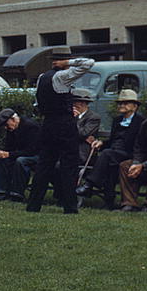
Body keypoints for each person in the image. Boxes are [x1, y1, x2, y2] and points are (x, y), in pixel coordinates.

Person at [24, 46, 95, 214]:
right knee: (69, 165)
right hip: (64, 125)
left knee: (44, 165)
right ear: (64, 61)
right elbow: (88, 63)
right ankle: (69, 206)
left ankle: (33, 205)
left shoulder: (42, 77)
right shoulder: (63, 76)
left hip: (48, 123)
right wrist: (69, 62)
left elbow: (38, 102)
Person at [76, 89, 144, 209]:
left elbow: (140, 145)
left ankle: (89, 185)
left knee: (107, 155)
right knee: (110, 165)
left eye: (125, 103)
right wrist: (100, 142)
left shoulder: (141, 122)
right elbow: (112, 141)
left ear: (135, 106)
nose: (121, 105)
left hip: (129, 154)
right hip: (114, 154)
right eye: (120, 103)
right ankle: (109, 202)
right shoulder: (117, 120)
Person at [0, 108, 41, 201]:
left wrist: (8, 154)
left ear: (13, 119)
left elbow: (31, 151)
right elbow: (9, 148)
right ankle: (0, 192)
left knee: (21, 161)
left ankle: (17, 194)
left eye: (6, 124)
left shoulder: (31, 126)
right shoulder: (12, 130)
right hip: (24, 154)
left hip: (38, 156)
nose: (6, 128)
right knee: (2, 158)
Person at [71, 87, 102, 165]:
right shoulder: (69, 116)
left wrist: (74, 120)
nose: (73, 105)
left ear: (83, 103)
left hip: (82, 151)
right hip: (68, 147)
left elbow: (82, 134)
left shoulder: (93, 117)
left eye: (75, 102)